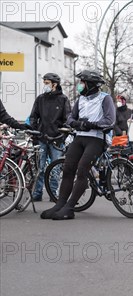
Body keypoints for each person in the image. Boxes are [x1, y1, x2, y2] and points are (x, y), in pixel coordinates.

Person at [40, 70, 116, 220]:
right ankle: (60, 205)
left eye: (82, 82)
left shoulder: (105, 99)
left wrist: (91, 124)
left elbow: (110, 121)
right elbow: (70, 118)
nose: (80, 85)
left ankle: (69, 208)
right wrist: (77, 123)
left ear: (91, 85)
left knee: (82, 170)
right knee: (68, 169)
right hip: (80, 137)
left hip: (97, 139)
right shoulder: (81, 99)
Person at [28, 72, 71, 202]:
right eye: (44, 83)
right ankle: (37, 193)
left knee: (56, 168)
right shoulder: (40, 98)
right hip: (41, 138)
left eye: (47, 83)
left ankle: (53, 193)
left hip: (57, 139)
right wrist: (35, 132)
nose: (45, 86)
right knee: (40, 168)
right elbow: (33, 117)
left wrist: (62, 135)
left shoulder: (63, 99)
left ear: (54, 84)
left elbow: (67, 119)